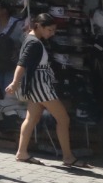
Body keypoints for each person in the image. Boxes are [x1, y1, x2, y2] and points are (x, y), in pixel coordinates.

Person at [8, 13, 90, 169]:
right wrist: (14, 82)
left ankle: (22, 152)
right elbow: (22, 64)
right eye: (50, 30)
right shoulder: (34, 43)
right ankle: (68, 156)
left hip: (36, 84)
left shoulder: (31, 39)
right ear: (39, 26)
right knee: (63, 119)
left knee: (31, 118)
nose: (52, 33)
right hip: (41, 85)